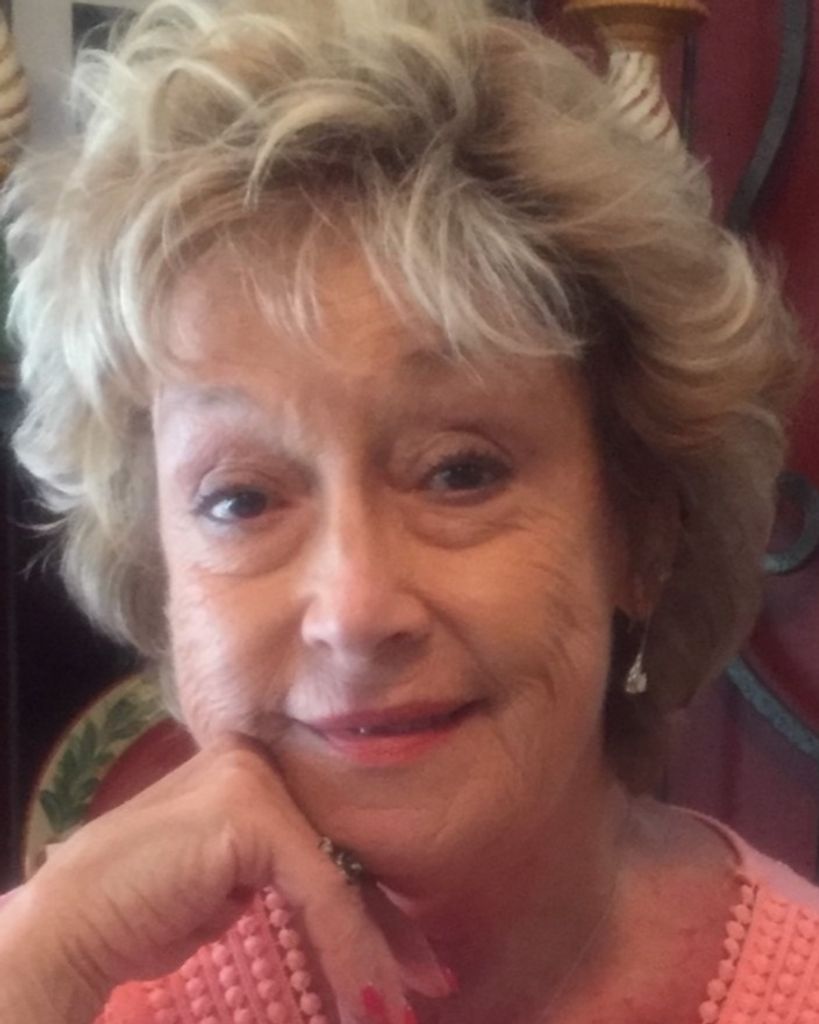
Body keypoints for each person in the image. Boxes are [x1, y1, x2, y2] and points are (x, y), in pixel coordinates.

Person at [1, 0, 817, 1022]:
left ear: (640, 533)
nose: (354, 610)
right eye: (241, 497)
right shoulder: (82, 985)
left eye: (458, 473)